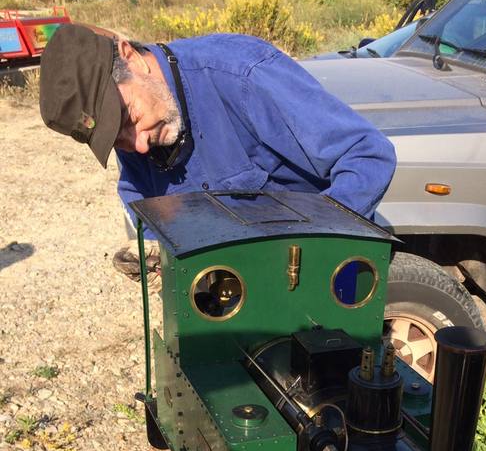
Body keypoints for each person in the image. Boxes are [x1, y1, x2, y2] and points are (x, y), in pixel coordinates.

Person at [39, 24, 396, 282]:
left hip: (319, 274)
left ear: (130, 57)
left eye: (129, 118)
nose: (139, 145)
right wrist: (151, 246)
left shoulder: (242, 75)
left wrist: (306, 252)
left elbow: (367, 155)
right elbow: (142, 202)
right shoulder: (136, 131)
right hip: (230, 290)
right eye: (118, 140)